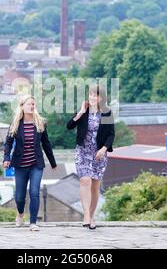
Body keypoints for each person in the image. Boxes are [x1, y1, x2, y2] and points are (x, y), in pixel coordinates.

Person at [3, 95, 57, 231]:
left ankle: (33, 222)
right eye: (29, 104)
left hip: (36, 165)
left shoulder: (40, 123)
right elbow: (8, 144)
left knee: (34, 192)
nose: (32, 106)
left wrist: (52, 162)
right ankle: (20, 213)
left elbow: (46, 144)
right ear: (22, 106)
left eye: (33, 104)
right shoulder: (15, 124)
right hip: (20, 165)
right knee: (20, 196)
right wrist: (6, 158)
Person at [66, 85, 115, 230]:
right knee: (84, 180)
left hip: (99, 154)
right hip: (83, 152)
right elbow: (69, 126)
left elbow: (111, 134)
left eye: (96, 96)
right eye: (91, 95)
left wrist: (104, 149)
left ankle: (91, 217)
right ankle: (86, 215)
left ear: (101, 98)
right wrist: (80, 112)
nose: (93, 98)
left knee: (95, 187)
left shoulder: (106, 113)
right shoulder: (84, 111)